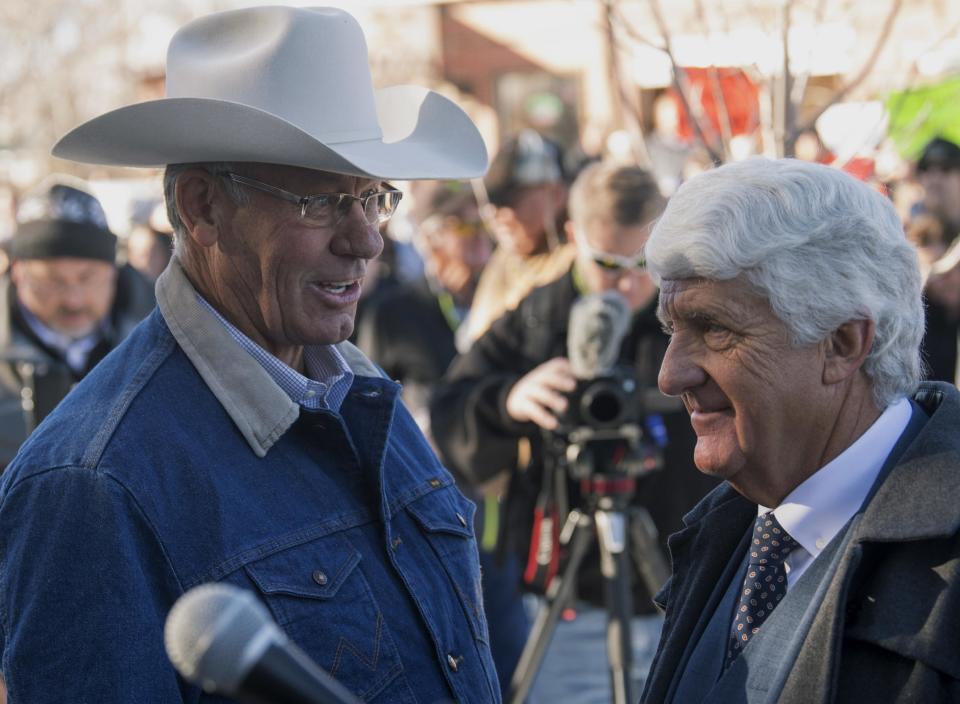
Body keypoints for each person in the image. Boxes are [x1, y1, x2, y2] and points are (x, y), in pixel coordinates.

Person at [0, 7, 499, 703]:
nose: (366, 241)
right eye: (320, 202)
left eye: (373, 198)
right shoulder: (93, 483)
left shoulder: (364, 393)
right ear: (201, 207)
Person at [641, 157, 960, 703]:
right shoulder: (730, 524)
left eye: (713, 328)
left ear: (842, 345)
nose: (671, 375)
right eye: (673, 328)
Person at [431, 163, 715, 695]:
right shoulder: (537, 317)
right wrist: (508, 399)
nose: (629, 283)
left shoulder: (691, 310)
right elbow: (450, 410)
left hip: (683, 586)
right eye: (608, 263)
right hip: (571, 596)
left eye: (643, 262)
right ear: (571, 236)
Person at [357, 182, 532, 699]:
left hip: (502, 509)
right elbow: (367, 413)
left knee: (512, 655)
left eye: (483, 228)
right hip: (428, 509)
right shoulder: (393, 312)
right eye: (464, 229)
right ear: (430, 239)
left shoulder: (504, 300)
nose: (479, 243)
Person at [0, 178, 154, 468]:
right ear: (19, 273)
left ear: (112, 270)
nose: (73, 299)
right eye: (52, 281)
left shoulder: (170, 335)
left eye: (87, 278)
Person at [462, 129, 576, 343]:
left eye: (511, 199)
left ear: (557, 194)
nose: (495, 213)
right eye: (490, 203)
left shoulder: (582, 262)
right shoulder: (503, 260)